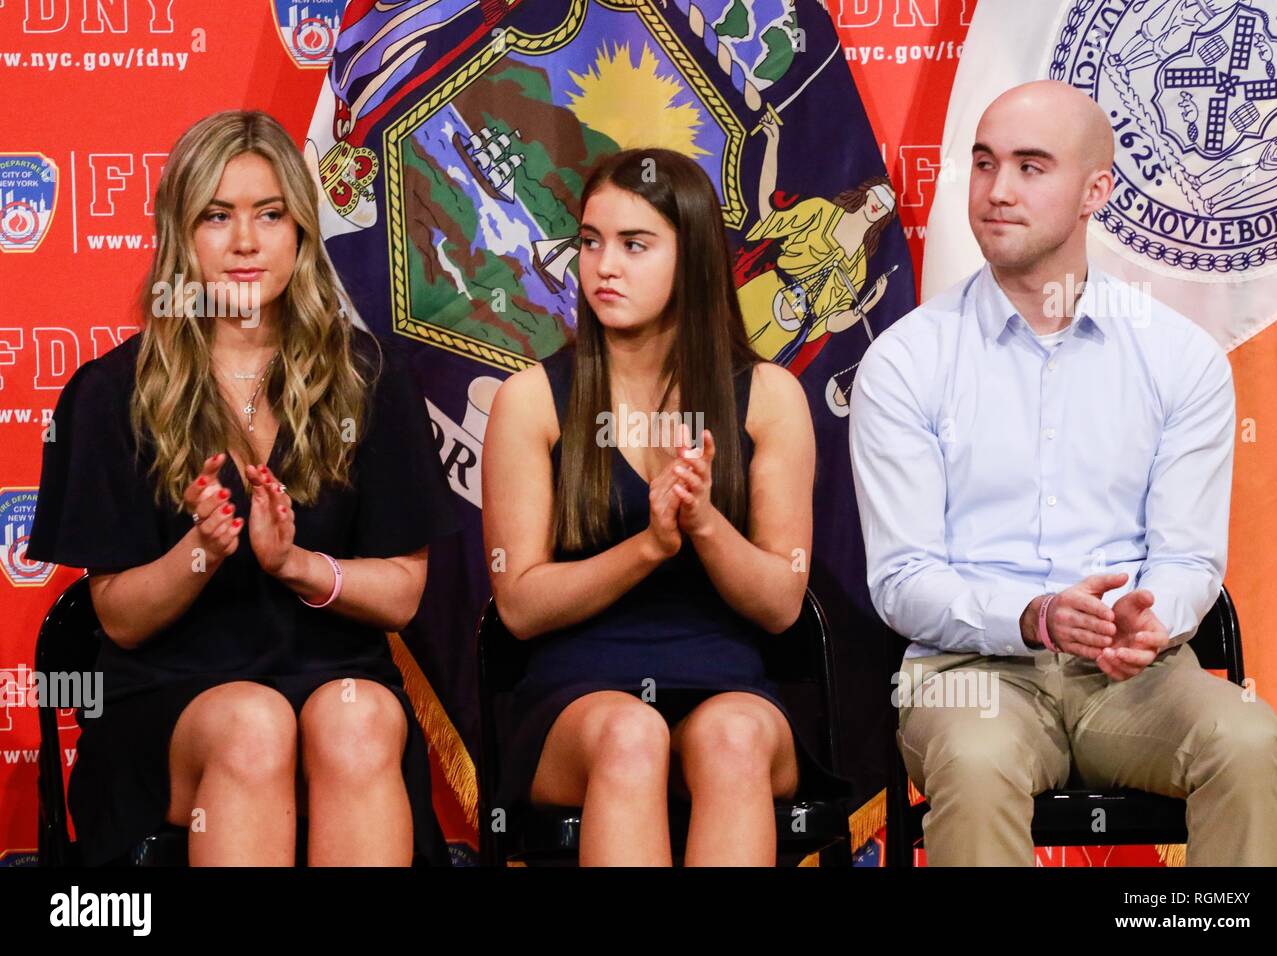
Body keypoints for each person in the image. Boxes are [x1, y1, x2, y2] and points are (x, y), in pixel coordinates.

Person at [849, 80, 1277, 866]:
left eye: (1030, 166)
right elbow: (904, 579)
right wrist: (1034, 615)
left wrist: (1154, 619)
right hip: (970, 677)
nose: (997, 192)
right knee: (979, 762)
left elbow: (1188, 559)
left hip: (1136, 679)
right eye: (984, 165)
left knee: (1249, 740)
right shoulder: (906, 362)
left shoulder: (1176, 356)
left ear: (1096, 190)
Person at [26, 110, 459, 866]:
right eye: (217, 217)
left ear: (301, 230)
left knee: (356, 722)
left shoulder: (370, 377)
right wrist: (202, 549)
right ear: (180, 234)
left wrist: (297, 566)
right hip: (173, 698)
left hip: (338, 683)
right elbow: (118, 620)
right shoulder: (110, 394)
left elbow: (400, 593)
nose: (246, 243)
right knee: (253, 721)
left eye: (270, 214)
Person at [481, 148, 850, 866]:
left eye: (635, 245)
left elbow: (780, 603)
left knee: (733, 740)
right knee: (632, 735)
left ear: (696, 258)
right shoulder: (530, 399)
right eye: (590, 242)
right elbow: (519, 603)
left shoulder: (769, 396)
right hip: (576, 696)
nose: (603, 266)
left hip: (729, 684)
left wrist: (705, 524)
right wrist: (647, 546)